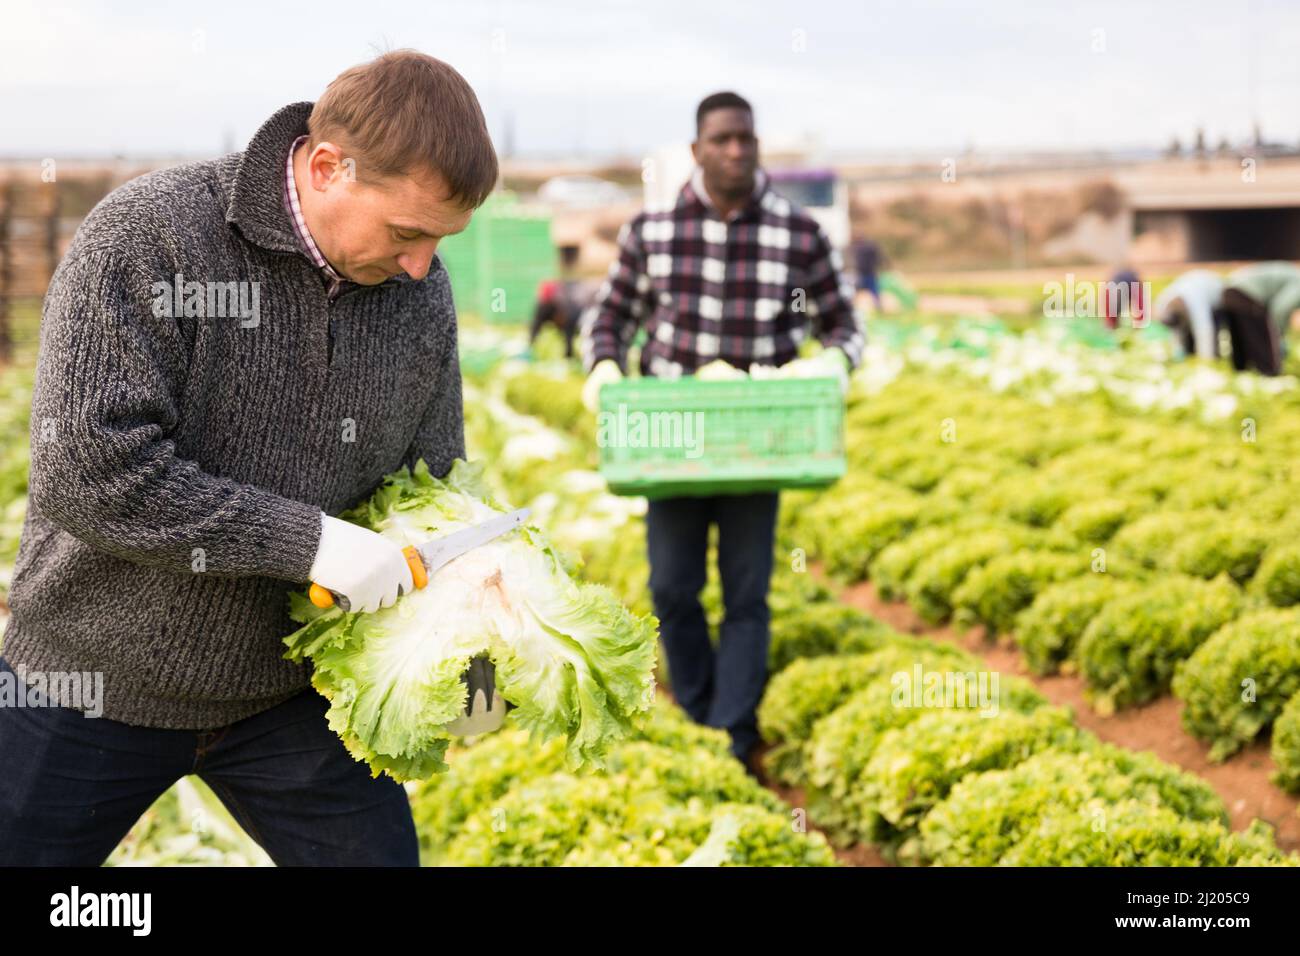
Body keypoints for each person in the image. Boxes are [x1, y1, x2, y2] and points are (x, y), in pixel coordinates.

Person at [0, 50, 499, 866]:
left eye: (438, 241)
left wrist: (469, 646)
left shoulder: (418, 291)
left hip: (286, 699)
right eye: (407, 232)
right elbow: (89, 472)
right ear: (329, 168)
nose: (421, 264)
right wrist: (310, 544)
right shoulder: (148, 237)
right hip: (89, 680)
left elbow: (430, 483)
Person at [579, 92, 864, 773]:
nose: (737, 150)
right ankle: (701, 710)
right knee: (673, 588)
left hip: (757, 441)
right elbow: (609, 318)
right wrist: (606, 367)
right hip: (670, 442)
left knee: (747, 593)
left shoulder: (798, 234)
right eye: (722, 139)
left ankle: (733, 733)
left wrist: (832, 362)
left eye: (747, 139)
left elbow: (844, 325)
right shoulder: (652, 230)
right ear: (698, 148)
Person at [1219, 262, 1300, 376]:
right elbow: (1279, 309)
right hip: (1246, 293)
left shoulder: (1294, 275)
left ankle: (1241, 371)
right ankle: (1270, 374)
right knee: (1262, 336)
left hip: (1228, 291)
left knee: (1240, 336)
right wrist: (1279, 335)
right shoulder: (1298, 282)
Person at [1153, 269, 1224, 360]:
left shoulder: (1195, 299)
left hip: (1217, 301)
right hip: (1193, 288)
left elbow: (1204, 331)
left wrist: (1205, 360)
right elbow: (1174, 330)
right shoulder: (1163, 303)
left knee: (1213, 342)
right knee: (1187, 344)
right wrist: (1178, 355)